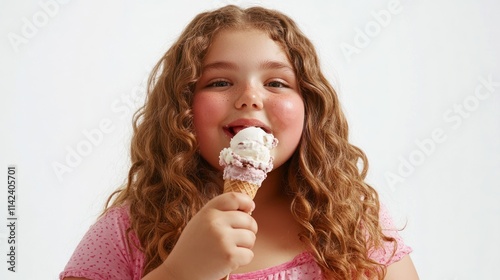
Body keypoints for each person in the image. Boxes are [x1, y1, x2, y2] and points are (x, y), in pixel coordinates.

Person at [60, 4, 419, 280]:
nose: (250, 97)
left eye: (277, 83)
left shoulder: (354, 222)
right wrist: (179, 273)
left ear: (310, 106)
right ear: (183, 106)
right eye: (219, 82)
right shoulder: (128, 230)